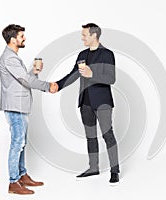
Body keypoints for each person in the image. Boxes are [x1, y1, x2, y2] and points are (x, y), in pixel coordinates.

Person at [50, 23, 120, 186]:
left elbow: (111, 79)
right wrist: (57, 85)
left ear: (94, 35)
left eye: (84, 35)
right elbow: (74, 74)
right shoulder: (82, 54)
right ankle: (93, 167)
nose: (82, 38)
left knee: (108, 135)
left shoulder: (107, 54)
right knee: (90, 136)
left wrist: (92, 74)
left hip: (102, 103)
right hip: (85, 102)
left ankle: (115, 170)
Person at [0, 24, 57, 195]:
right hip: (15, 108)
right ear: (13, 39)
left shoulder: (14, 58)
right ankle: (13, 182)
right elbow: (26, 81)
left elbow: (24, 79)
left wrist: (35, 71)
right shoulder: (9, 58)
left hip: (21, 107)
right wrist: (48, 86)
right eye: (21, 36)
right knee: (17, 143)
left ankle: (22, 176)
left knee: (22, 144)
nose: (24, 38)